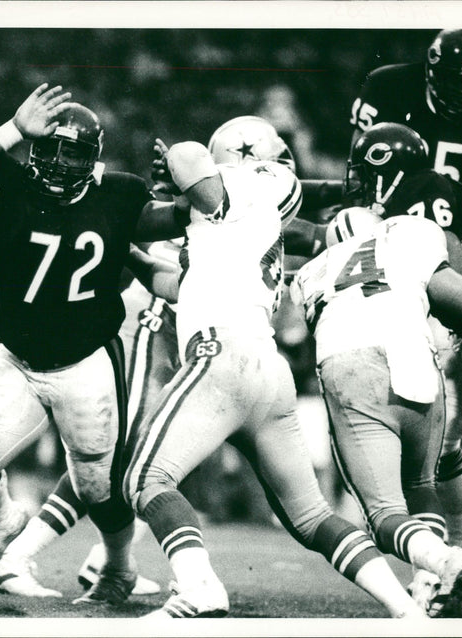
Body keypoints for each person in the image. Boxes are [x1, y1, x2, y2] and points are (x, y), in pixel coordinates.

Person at [0, 114, 307, 599]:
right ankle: (23, 557)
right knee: (122, 455)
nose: (279, 167)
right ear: (243, 157)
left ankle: (107, 562)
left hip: (177, 331)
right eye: (270, 157)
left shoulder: (220, 197)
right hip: (150, 325)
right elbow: (143, 262)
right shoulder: (212, 198)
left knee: (131, 459)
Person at [123, 138, 429, 620]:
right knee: (310, 518)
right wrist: (131, 253)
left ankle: (200, 587)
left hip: (222, 356)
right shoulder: (249, 230)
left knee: (145, 478)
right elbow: (175, 284)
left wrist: (177, 167)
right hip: (267, 373)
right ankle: (405, 608)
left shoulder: (241, 187)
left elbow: (186, 158)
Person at [0, 84, 185, 606]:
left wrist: (188, 187)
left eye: (72, 151)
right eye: (47, 147)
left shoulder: (118, 194)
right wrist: (11, 129)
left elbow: (172, 220)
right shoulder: (10, 183)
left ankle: (118, 566)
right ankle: (7, 518)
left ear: (92, 157)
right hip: (14, 359)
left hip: (84, 366)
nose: (57, 161)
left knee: (100, 489)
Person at [291, 207, 462, 617]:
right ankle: (429, 588)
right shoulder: (411, 234)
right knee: (422, 485)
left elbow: (305, 325)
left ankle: (442, 561)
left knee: (385, 517)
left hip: (351, 363)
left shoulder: (309, 272)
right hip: (415, 354)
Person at [345, 122, 462, 590]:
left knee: (425, 461)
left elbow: (458, 270)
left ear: (385, 168)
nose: (355, 180)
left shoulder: (401, 211)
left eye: (363, 169)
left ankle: (438, 573)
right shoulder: (449, 190)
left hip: (442, 326)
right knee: (446, 449)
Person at [349, 29, 462, 227]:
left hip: (445, 219)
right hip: (376, 209)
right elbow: (357, 167)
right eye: (458, 80)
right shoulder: (388, 85)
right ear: (433, 71)